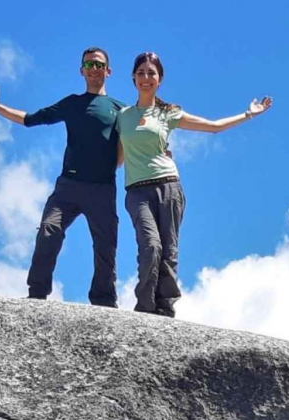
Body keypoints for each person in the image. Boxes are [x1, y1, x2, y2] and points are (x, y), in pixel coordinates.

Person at [115, 52, 271, 317]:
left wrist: (248, 114)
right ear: (133, 77)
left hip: (168, 186)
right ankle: (145, 308)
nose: (146, 77)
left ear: (160, 79)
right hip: (137, 191)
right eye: (141, 72)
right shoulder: (123, 116)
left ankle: (164, 308)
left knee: (168, 251)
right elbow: (118, 159)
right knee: (150, 246)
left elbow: (213, 126)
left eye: (151, 73)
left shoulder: (168, 113)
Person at [0, 48, 125, 306]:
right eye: (89, 64)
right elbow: (30, 119)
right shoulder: (72, 103)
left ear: (108, 71)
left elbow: (139, 138)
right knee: (48, 231)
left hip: (102, 188)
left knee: (106, 245)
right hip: (68, 186)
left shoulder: (120, 109)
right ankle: (37, 294)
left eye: (99, 65)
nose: (94, 69)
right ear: (82, 70)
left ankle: (104, 301)